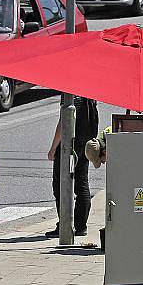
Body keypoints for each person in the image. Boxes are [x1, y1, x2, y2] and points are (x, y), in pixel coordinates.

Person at [46, 96, 98, 237]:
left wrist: (53, 148)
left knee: (60, 185)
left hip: (69, 144)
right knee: (81, 184)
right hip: (85, 142)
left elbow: (64, 122)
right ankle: (81, 226)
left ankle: (64, 226)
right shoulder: (88, 92)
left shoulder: (70, 94)